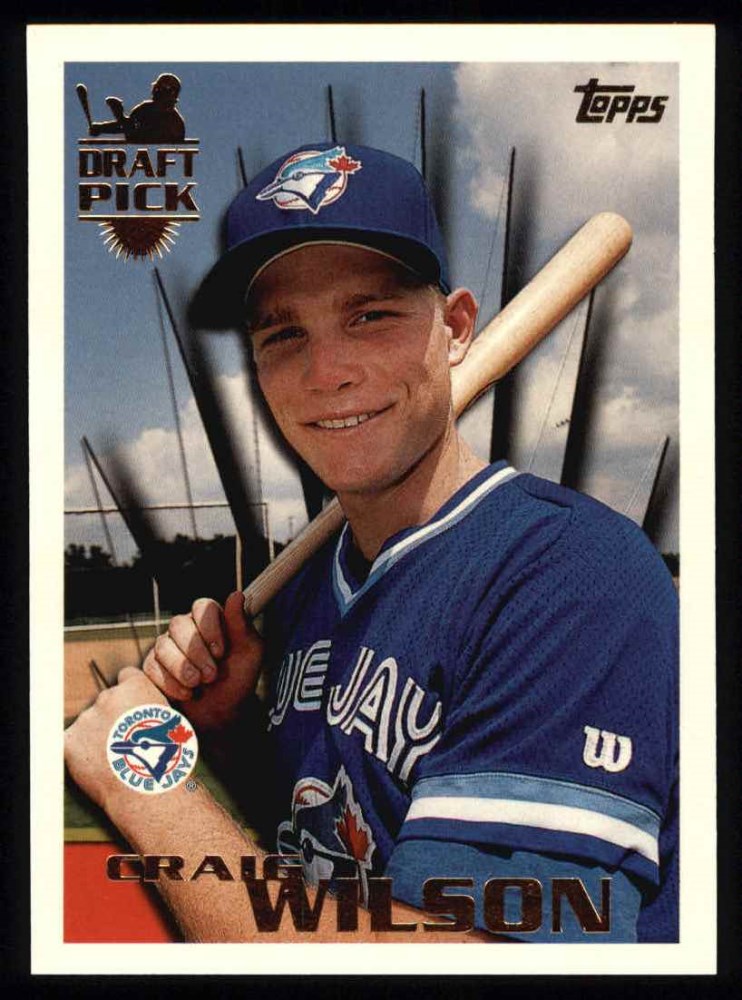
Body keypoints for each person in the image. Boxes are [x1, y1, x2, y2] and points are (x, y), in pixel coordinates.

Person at [64, 142, 678, 943]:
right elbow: (319, 860)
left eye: (370, 316)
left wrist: (144, 789)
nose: (327, 372)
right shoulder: (311, 587)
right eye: (284, 334)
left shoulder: (571, 576)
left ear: (456, 328)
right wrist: (232, 730)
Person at [88, 72, 185, 143]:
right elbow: (129, 125)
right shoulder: (145, 109)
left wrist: (118, 115)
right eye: (156, 88)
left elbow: (131, 128)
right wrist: (101, 128)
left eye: (159, 89)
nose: (155, 91)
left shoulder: (173, 121)